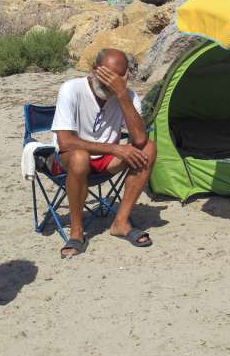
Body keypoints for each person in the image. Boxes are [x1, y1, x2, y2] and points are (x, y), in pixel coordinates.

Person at [51, 48, 157, 258]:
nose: (109, 83)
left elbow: (139, 139)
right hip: (70, 158)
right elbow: (65, 141)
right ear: (93, 70)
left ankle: (121, 222)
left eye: (116, 78)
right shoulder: (71, 89)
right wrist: (115, 148)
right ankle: (76, 232)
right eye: (106, 75)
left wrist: (122, 94)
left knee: (149, 148)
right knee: (80, 156)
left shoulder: (127, 95)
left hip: (106, 160)